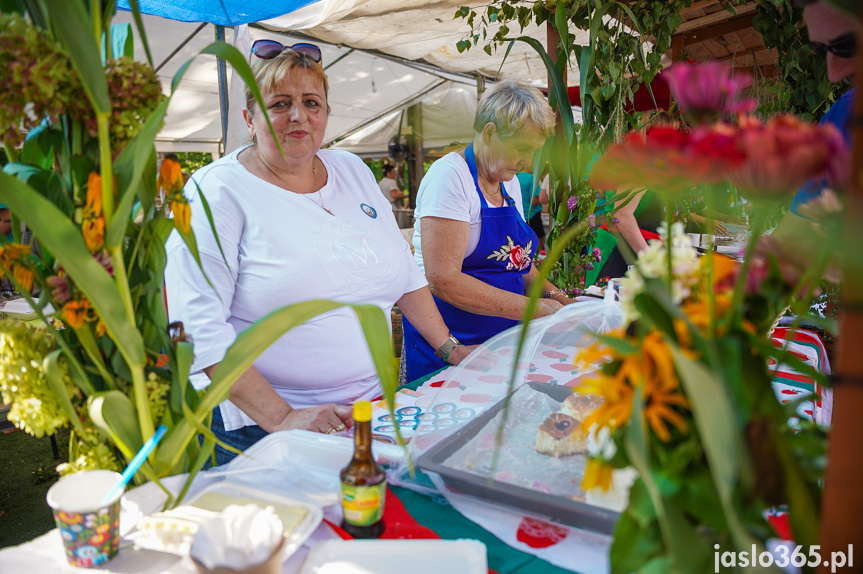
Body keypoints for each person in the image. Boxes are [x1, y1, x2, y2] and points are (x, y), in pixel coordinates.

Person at [164, 42, 474, 465]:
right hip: (266, 426)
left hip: (371, 410)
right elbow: (194, 327)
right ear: (249, 118)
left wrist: (452, 350)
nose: (298, 115)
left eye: (312, 103)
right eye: (280, 103)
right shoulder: (214, 192)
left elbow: (404, 272)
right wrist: (283, 417)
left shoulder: (351, 170)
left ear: (326, 114)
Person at [403, 80, 574, 381]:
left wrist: (560, 299)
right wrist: (536, 310)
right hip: (456, 344)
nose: (528, 161)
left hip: (502, 342)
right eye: (522, 148)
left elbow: (518, 264)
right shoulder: (450, 176)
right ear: (490, 133)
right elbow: (443, 279)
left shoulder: (507, 182)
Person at [786, 0, 856, 218]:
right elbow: (797, 235)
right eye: (821, 50)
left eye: (847, 46)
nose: (833, 74)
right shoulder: (845, 114)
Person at [516, 168, 549, 252]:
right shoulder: (532, 178)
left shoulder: (516, 177)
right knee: (537, 246)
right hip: (533, 216)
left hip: (521, 216)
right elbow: (533, 201)